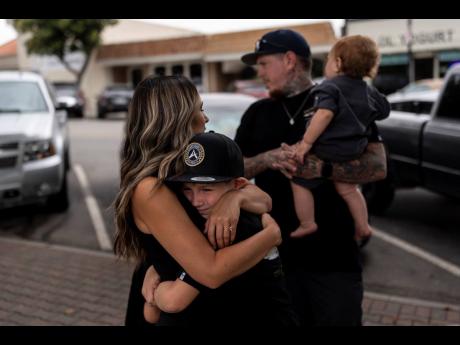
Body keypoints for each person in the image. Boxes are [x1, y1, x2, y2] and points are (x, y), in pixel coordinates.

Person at [235, 29, 388, 326]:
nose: (259, 72)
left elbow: (378, 166)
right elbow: (234, 171)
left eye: (264, 63)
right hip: (275, 260)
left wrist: (323, 169)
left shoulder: (342, 97)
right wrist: (268, 159)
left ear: (290, 60)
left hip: (335, 260)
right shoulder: (257, 112)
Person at [114, 75, 281, 326]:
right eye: (199, 110)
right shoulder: (150, 188)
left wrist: (233, 199)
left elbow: (264, 201)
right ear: (176, 118)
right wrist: (271, 235)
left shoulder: (185, 171)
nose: (206, 118)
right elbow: (210, 272)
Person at [144, 132, 297, 326]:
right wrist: (156, 270)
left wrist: (157, 292)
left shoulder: (230, 228)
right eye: (187, 189)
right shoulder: (193, 220)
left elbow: (172, 302)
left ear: (238, 185)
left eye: (207, 190)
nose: (196, 201)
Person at [290, 35, 390, 239]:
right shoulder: (368, 91)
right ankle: (363, 226)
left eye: (328, 59)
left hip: (328, 149)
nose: (326, 64)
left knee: (298, 179)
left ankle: (307, 223)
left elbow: (324, 114)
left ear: (337, 63)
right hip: (354, 151)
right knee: (349, 190)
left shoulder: (330, 87)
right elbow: (384, 111)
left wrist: (306, 143)